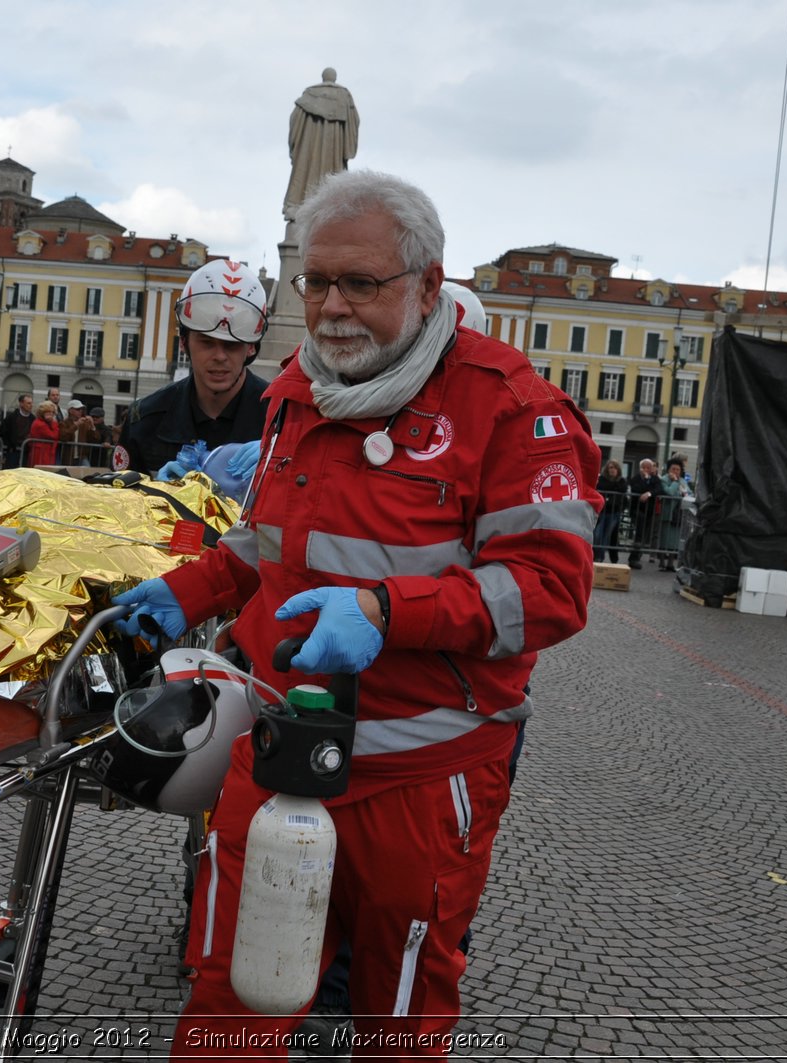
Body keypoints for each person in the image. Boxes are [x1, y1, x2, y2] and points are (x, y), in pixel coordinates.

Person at [112, 170, 600, 1052]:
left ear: (426, 282)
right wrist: (183, 591)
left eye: (360, 283)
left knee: (397, 1016)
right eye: (315, 281)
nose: (331, 306)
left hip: (420, 775)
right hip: (279, 752)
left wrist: (387, 611)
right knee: (233, 999)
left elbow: (552, 588)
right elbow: (267, 540)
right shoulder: (301, 389)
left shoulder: (510, 408)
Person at [117, 259, 272, 475]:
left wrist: (281, 457)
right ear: (183, 343)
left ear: (251, 348)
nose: (219, 356)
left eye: (232, 345)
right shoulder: (145, 419)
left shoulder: (281, 420)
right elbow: (118, 500)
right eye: (206, 342)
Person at [283, 68, 359, 219]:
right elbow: (354, 122)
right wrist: (346, 147)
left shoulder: (308, 95)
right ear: (334, 78)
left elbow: (294, 121)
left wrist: (295, 147)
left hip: (308, 150)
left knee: (304, 176)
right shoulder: (344, 96)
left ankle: (298, 209)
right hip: (333, 150)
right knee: (332, 181)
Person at [626, 458, 663, 570]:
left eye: (649, 467)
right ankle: (633, 558)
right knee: (639, 533)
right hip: (637, 509)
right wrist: (645, 481)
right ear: (640, 468)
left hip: (649, 511)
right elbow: (636, 490)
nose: (646, 470)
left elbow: (659, 489)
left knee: (643, 535)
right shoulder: (636, 478)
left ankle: (635, 557)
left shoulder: (655, 479)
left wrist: (649, 493)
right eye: (644, 467)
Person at [657, 458, 690, 571]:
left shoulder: (683, 481)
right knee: (664, 538)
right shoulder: (664, 479)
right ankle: (661, 562)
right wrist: (675, 483)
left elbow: (688, 493)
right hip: (667, 513)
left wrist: (679, 490)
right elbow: (670, 492)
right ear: (669, 469)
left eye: (678, 469)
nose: (676, 471)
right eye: (673, 469)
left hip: (678, 514)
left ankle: (670, 563)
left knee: (674, 540)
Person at [593, 459, 627, 564]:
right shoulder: (602, 479)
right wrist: (613, 487)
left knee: (607, 535)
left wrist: (613, 487)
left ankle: (600, 557)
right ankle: (597, 556)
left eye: (615, 467)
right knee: (598, 534)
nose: (612, 470)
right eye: (610, 468)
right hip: (602, 511)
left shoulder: (622, 480)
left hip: (614, 512)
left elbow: (622, 489)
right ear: (607, 469)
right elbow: (602, 486)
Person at [57, 399, 100, 465]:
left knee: (87, 473)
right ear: (70, 411)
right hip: (68, 457)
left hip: (82, 457)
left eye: (81, 409)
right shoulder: (63, 423)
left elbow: (95, 439)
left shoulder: (84, 423)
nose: (80, 411)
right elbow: (63, 437)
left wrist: (92, 426)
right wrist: (76, 425)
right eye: (78, 409)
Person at [0, 393, 36, 468]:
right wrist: (8, 446)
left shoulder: (33, 419)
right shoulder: (11, 417)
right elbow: (3, 431)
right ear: (21, 403)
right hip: (12, 451)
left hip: (26, 452)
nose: (31, 405)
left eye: (31, 403)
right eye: (28, 403)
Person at [27, 400, 60, 466]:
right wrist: (54, 423)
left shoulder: (41, 422)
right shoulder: (41, 424)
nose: (51, 414)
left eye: (52, 412)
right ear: (42, 413)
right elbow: (54, 435)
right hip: (41, 453)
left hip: (43, 452)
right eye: (48, 412)